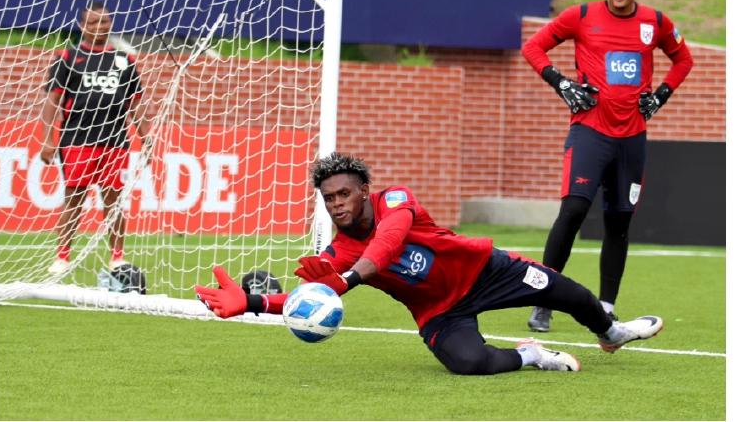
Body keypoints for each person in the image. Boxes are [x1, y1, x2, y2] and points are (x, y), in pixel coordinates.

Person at [195, 152, 664, 375]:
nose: (337, 204)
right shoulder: (337, 253)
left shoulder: (396, 200)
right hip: (439, 311)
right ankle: (532, 355)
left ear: (364, 191)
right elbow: (312, 299)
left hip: (487, 271)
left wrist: (348, 278)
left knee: (572, 295)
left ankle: (612, 333)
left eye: (344, 194)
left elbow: (386, 245)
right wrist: (252, 302)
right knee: (468, 364)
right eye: (329, 198)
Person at [520, 0, 693, 332]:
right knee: (573, 211)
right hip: (590, 132)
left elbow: (683, 60)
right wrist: (561, 83)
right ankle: (543, 301)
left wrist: (661, 96)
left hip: (632, 139)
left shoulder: (656, 22)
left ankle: (607, 307)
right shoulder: (581, 16)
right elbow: (533, 47)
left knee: (619, 222)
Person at [40, 1, 150, 274]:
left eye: (104, 21)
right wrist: (48, 139)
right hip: (77, 139)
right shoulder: (68, 57)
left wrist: (146, 138)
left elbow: (135, 104)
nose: (99, 27)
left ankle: (117, 257)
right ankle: (62, 257)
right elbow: (53, 101)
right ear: (82, 26)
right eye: (92, 22)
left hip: (115, 140)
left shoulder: (124, 60)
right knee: (74, 197)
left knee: (114, 200)